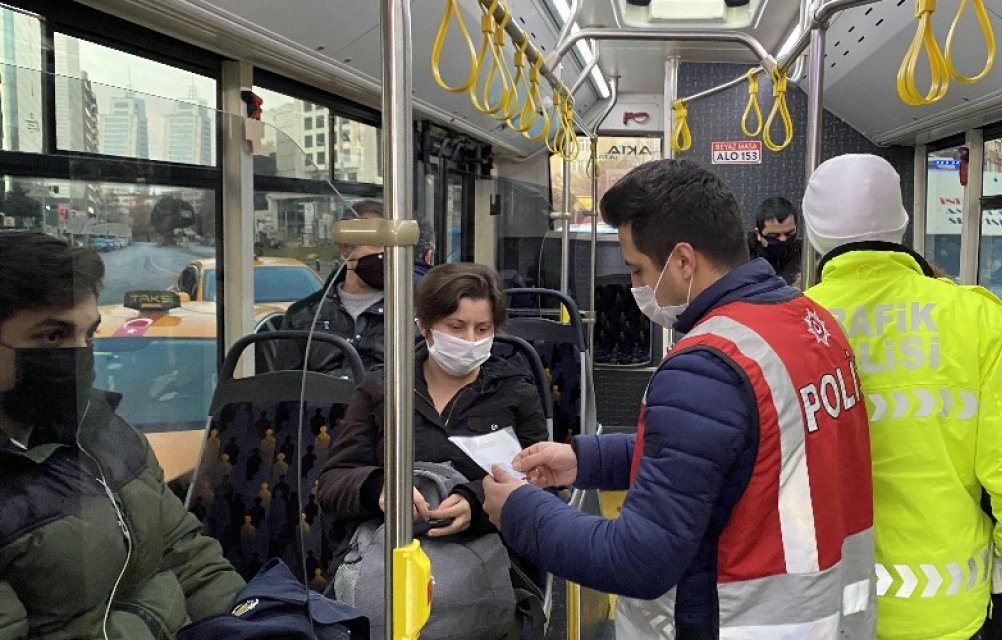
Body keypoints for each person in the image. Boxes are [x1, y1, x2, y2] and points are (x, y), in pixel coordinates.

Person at [482, 159, 877, 639]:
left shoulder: (708, 364)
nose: (634, 287)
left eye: (637, 269)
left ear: (684, 261)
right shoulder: (811, 325)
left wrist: (521, 511)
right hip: (825, 619)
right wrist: (585, 459)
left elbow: (638, 560)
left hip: (730, 621)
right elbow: (737, 457)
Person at [802, 154, 1002, 640]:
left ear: (813, 232)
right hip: (944, 610)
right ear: (902, 225)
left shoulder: (790, 325)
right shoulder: (973, 318)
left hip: (821, 606)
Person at [0, 231, 244, 638]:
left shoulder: (103, 430)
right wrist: (153, 611)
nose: (80, 353)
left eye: (89, 334)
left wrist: (252, 623)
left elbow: (189, 557)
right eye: (53, 336)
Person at [316, 263, 547, 558]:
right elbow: (332, 483)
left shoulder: (513, 390)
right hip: (392, 551)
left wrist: (476, 503)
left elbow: (541, 484)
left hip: (489, 558)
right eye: (456, 327)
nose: (470, 341)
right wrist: (381, 488)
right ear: (424, 326)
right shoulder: (385, 389)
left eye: (482, 329)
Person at [274, 200, 387, 376]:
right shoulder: (303, 316)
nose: (384, 252)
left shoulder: (411, 317)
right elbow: (285, 390)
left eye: (391, 244)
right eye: (375, 242)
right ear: (345, 247)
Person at [747, 196, 802, 285]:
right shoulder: (743, 257)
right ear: (758, 234)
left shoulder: (807, 257)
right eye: (773, 235)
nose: (783, 239)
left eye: (789, 233)